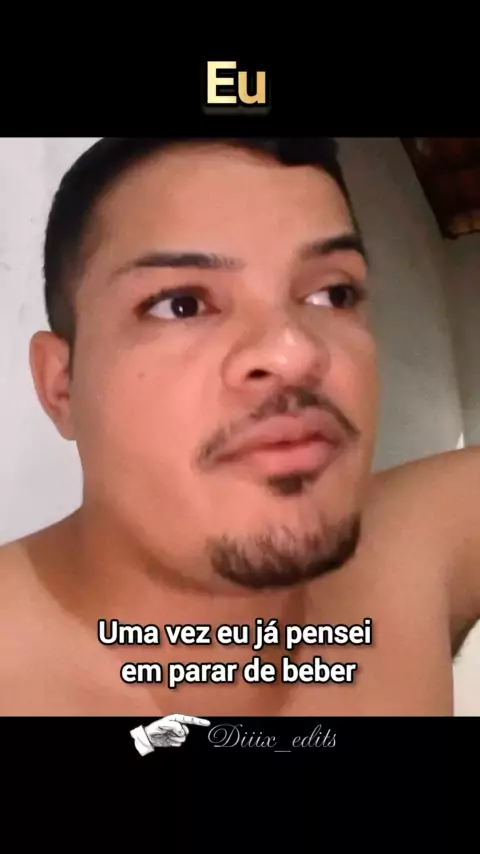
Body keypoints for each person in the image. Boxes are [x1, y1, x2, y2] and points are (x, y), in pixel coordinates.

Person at [0, 137, 477, 717]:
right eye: (180, 304)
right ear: (62, 386)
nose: (294, 351)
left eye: (333, 293)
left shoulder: (414, 553)